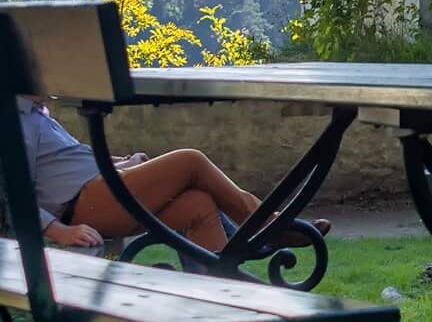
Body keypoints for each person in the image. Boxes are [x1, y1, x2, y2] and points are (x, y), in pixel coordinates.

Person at [11, 93, 267, 254]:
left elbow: (71, 162)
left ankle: (221, 295)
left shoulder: (35, 115)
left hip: (101, 192)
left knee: (197, 204)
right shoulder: (12, 119)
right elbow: (12, 195)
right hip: (84, 205)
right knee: (190, 161)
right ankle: (268, 225)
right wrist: (58, 231)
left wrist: (126, 163)